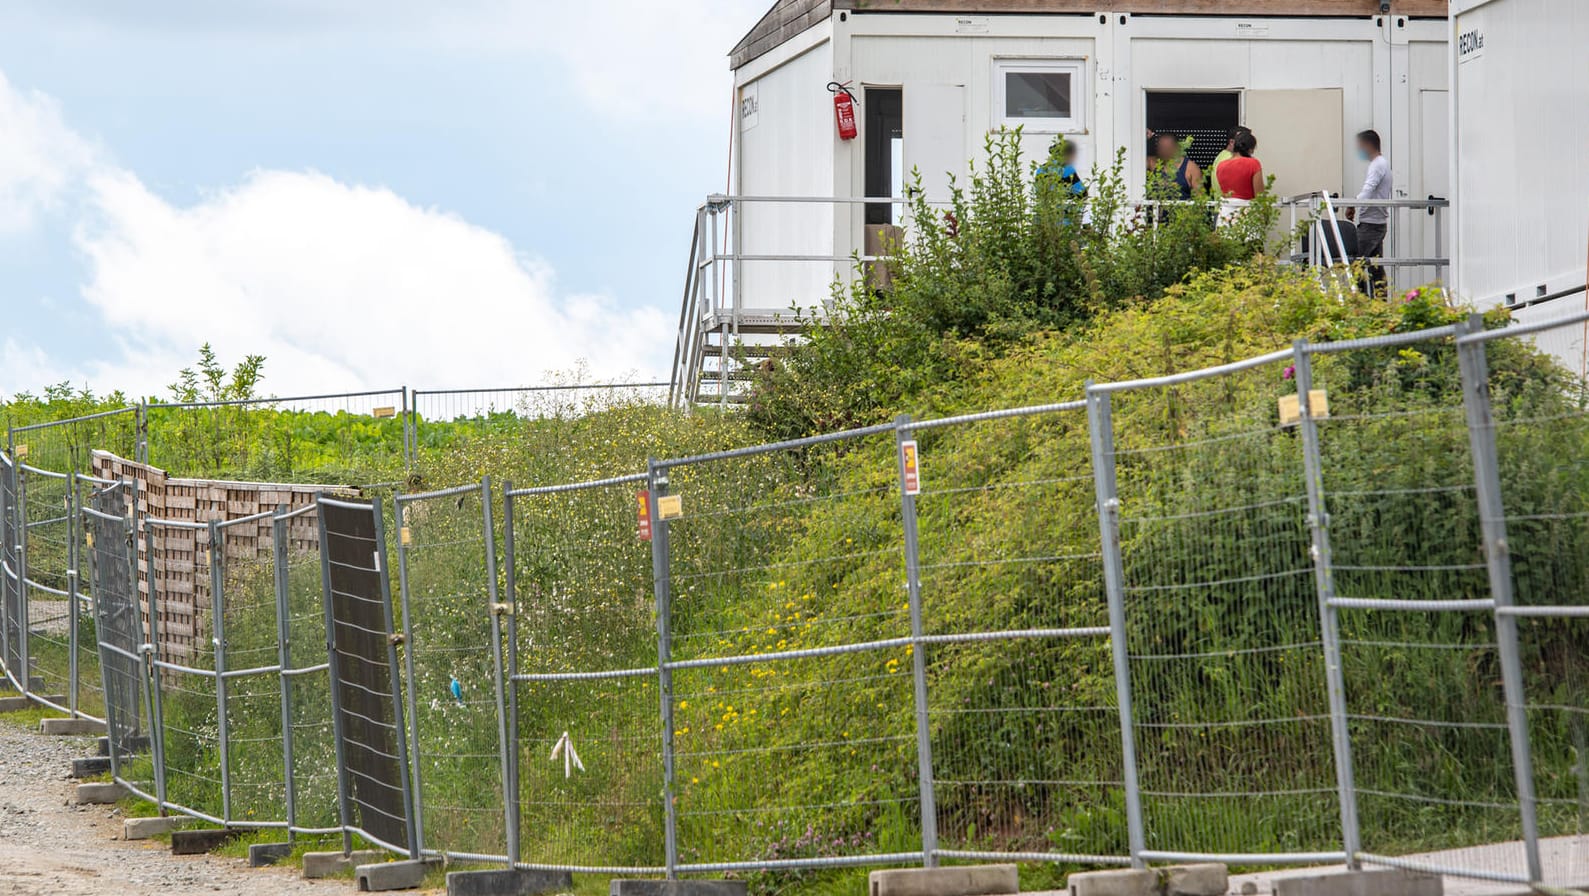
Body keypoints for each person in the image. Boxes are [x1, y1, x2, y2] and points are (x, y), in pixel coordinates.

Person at [1346, 129, 1392, 291]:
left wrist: (1352, 204)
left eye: (1359, 146)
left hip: (1371, 225)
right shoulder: (1381, 164)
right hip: (1376, 222)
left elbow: (1368, 190)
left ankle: (1362, 300)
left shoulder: (1377, 165)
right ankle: (1379, 303)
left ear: (1367, 145)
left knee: (1356, 263)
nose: (1358, 150)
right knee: (1376, 268)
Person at [1148, 133, 1202, 200]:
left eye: (1168, 148)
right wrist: (1147, 139)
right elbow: (1133, 162)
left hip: (1182, 210)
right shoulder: (1152, 163)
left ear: (1177, 148)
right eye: (1161, 148)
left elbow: (1200, 199)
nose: (1164, 151)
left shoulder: (1191, 168)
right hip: (1156, 210)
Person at [1215, 130, 1265, 201]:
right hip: (1246, 209)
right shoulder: (1253, 164)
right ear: (1251, 149)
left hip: (1226, 208)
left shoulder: (1221, 165)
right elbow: (1260, 195)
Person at [1211, 127, 1252, 198]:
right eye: (1242, 141)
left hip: (1222, 205)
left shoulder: (1221, 156)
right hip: (1233, 206)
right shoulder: (1232, 159)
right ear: (1231, 142)